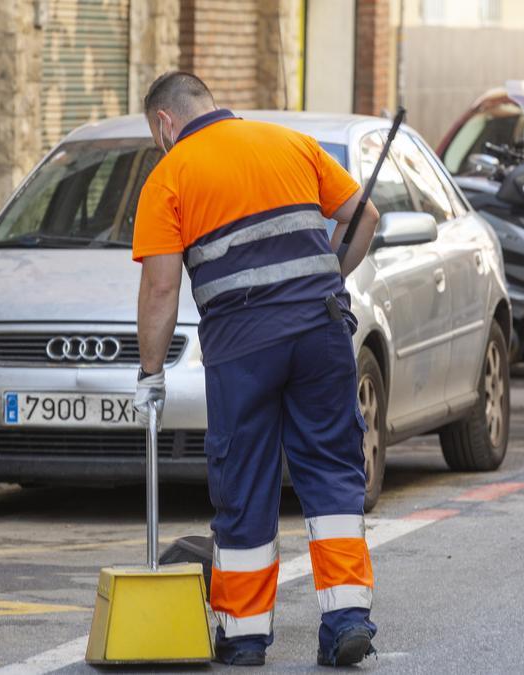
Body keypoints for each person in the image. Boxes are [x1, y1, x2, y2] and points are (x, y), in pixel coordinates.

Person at [130, 71, 381, 667]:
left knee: (245, 481)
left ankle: (244, 637)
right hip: (320, 332)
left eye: (155, 133)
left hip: (243, 346)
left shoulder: (170, 175)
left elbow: (162, 288)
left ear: (165, 122)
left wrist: (150, 373)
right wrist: (322, 280)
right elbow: (363, 217)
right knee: (331, 471)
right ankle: (347, 620)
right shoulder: (286, 142)